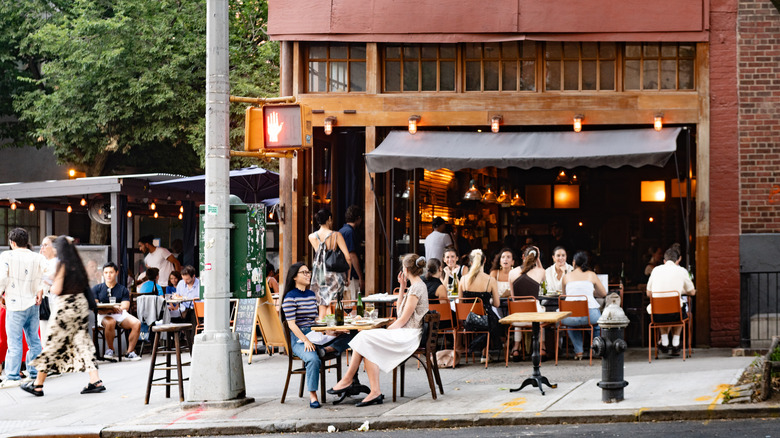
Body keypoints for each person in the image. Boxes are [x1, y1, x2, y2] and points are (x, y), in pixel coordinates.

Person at [327, 254, 429, 407]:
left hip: (409, 336)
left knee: (365, 337)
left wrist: (387, 330)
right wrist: (402, 287)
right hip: (406, 332)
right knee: (367, 342)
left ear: (406, 270)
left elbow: (402, 320)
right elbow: (400, 313)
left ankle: (348, 379)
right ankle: (373, 391)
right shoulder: (415, 287)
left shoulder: (417, 289)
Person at [21, 236, 106, 396]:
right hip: (80, 305)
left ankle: (37, 385)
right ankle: (95, 380)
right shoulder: (76, 265)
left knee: (53, 343)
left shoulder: (61, 265)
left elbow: (58, 289)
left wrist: (49, 284)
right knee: (83, 343)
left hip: (66, 306)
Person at [281, 262, 354, 408]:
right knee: (313, 359)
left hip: (315, 334)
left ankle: (327, 349)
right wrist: (306, 340)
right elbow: (292, 324)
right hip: (299, 339)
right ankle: (313, 395)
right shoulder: (290, 297)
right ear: (295, 277)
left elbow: (314, 321)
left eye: (309, 272)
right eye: (304, 272)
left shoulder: (310, 295)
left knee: (352, 335)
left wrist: (330, 331)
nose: (308, 275)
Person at [0, 228, 49, 386]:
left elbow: (2, 278)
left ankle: (13, 375)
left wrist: (1, 294)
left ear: (12, 243)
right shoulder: (37, 257)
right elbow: (48, 275)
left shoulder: (7, 255)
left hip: (14, 303)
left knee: (14, 341)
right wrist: (42, 289)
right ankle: (34, 372)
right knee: (34, 339)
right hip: (33, 302)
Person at [646, 246, 696, 356]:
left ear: (664, 261)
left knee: (664, 310)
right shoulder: (681, 271)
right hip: (675, 314)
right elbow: (692, 292)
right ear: (678, 260)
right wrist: (680, 290)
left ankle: (664, 341)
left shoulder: (655, 270)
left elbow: (648, 293)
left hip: (657, 315)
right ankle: (676, 342)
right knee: (679, 309)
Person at [560, 251, 607, 360]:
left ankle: (579, 351)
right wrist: (590, 292)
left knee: (572, 324)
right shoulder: (591, 275)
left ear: (574, 262)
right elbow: (603, 293)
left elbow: (564, 295)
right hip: (589, 315)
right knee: (596, 325)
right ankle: (596, 349)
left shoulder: (566, 277)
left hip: (570, 316)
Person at [92, 262, 142, 361]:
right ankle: (110, 349)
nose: (108, 275)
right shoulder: (97, 288)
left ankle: (130, 352)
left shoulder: (122, 289)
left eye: (111, 272)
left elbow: (125, 306)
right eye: (106, 272)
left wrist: (117, 309)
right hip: (104, 315)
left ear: (116, 273)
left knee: (136, 323)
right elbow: (95, 307)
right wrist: (110, 309)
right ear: (103, 274)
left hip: (119, 313)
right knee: (111, 322)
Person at [308, 209, 351, 320]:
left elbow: (320, 255)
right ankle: (332, 331)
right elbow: (348, 257)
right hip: (334, 275)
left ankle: (323, 333)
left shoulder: (312, 237)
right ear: (329, 219)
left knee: (322, 306)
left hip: (320, 275)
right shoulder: (336, 235)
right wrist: (348, 276)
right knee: (334, 304)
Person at [459, 249, 502, 361]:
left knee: (489, 323)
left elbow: (461, 303)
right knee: (495, 323)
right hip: (485, 319)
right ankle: (484, 352)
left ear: (471, 262)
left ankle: (477, 348)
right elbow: (497, 304)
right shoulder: (490, 280)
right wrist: (488, 301)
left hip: (468, 320)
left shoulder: (463, 279)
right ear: (485, 260)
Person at [507, 246, 547, 361]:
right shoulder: (540, 271)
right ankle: (542, 348)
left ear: (523, 257)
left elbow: (513, 298)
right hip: (534, 317)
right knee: (541, 313)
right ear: (536, 258)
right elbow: (544, 278)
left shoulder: (512, 272)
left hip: (517, 317)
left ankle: (515, 348)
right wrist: (538, 259)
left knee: (519, 311)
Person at [338, 205, 364, 301]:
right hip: (351, 275)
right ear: (358, 218)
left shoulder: (342, 230)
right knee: (352, 302)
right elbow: (352, 255)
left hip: (343, 274)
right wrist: (361, 277)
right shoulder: (350, 232)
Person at [38, 235, 59, 348]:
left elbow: (52, 279)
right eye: (42, 245)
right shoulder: (43, 261)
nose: (43, 248)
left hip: (56, 299)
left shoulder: (59, 262)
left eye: (46, 245)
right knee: (45, 334)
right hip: (44, 299)